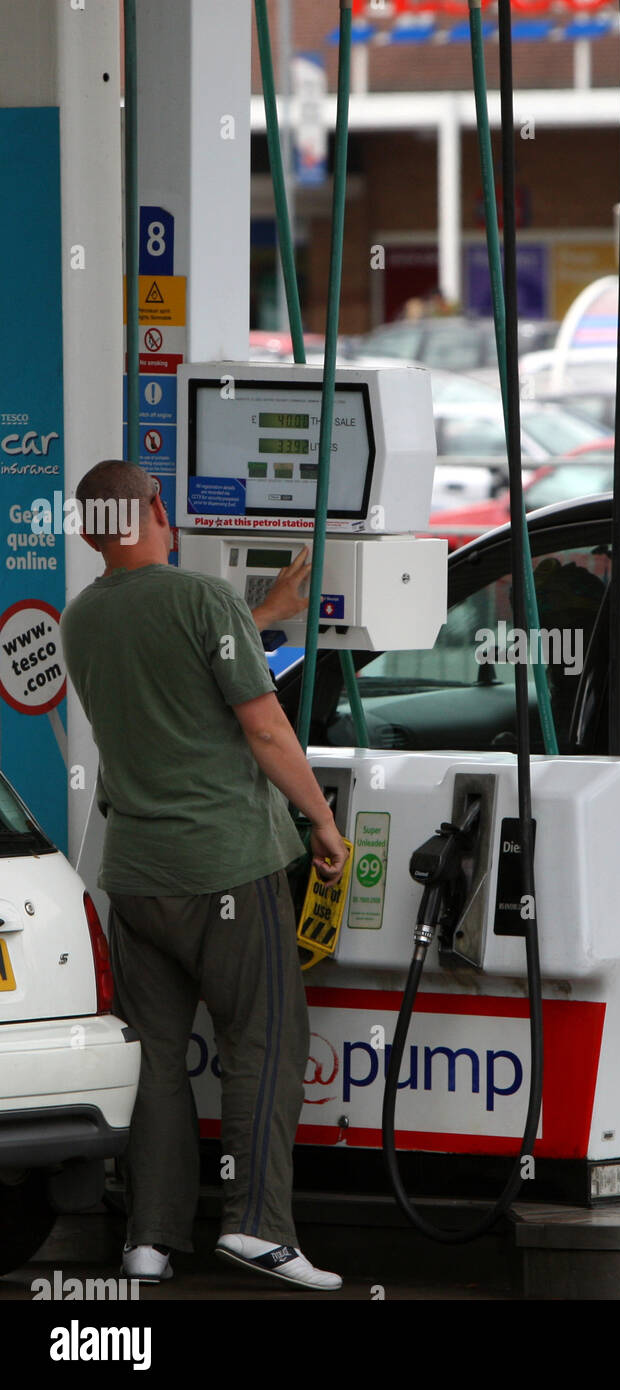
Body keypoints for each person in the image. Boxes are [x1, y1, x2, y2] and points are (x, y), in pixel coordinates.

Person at [60, 460, 350, 1292]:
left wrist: (263, 615)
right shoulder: (201, 598)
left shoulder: (84, 619)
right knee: (262, 1043)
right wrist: (324, 825)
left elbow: (173, 668)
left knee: (155, 1058)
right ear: (155, 508)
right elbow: (262, 731)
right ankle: (257, 1227)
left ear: (88, 530)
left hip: (137, 876)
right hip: (227, 867)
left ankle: (149, 1239)